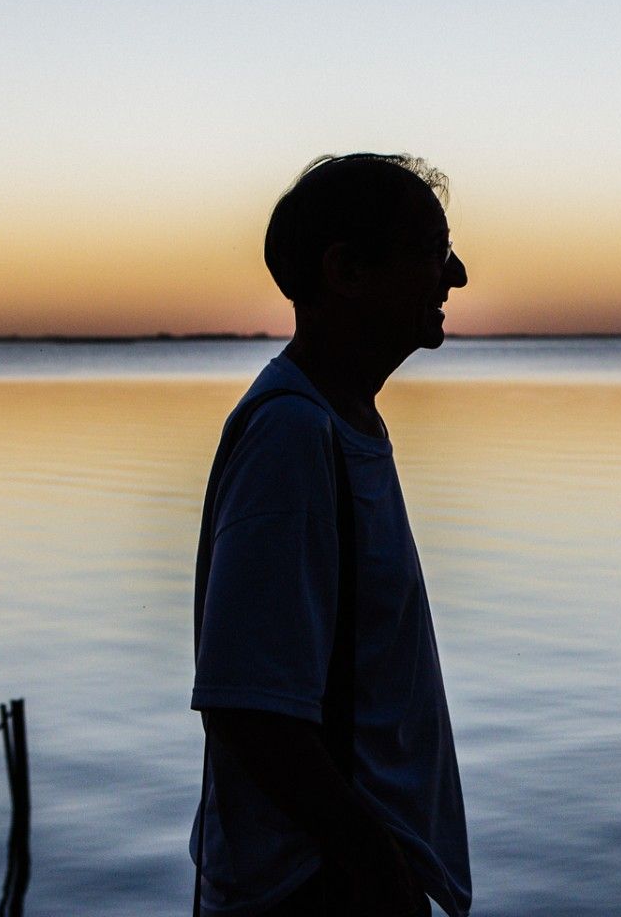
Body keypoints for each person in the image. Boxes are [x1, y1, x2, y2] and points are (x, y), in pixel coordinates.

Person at [191, 153, 472, 916]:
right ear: (347, 270)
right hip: (313, 895)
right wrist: (376, 874)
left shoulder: (339, 422)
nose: (457, 275)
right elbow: (252, 710)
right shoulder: (290, 436)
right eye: (432, 249)